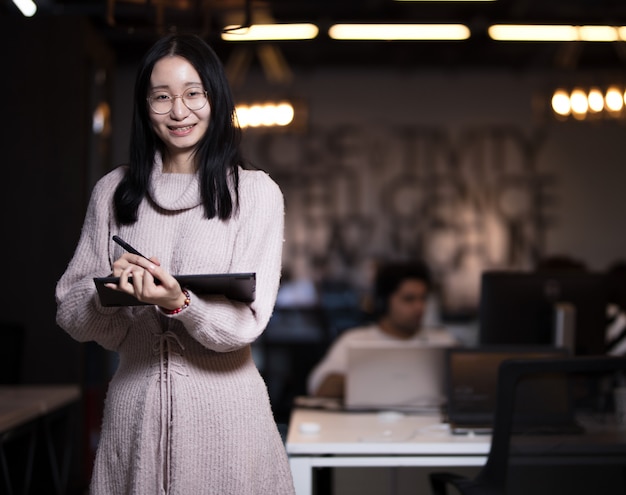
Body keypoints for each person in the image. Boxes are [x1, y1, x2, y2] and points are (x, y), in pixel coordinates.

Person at [55, 34, 294, 495]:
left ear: (215, 98)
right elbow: (70, 311)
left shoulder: (256, 193)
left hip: (227, 418)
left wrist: (179, 302)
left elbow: (247, 323)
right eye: (162, 97)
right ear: (145, 106)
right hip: (134, 410)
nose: (179, 112)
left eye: (193, 94)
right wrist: (111, 291)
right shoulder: (113, 191)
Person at [307, 260, 458, 398]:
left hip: (430, 426)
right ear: (384, 301)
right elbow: (320, 388)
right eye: (409, 299)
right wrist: (375, 378)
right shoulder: (354, 340)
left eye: (423, 298)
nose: (419, 307)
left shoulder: (443, 341)